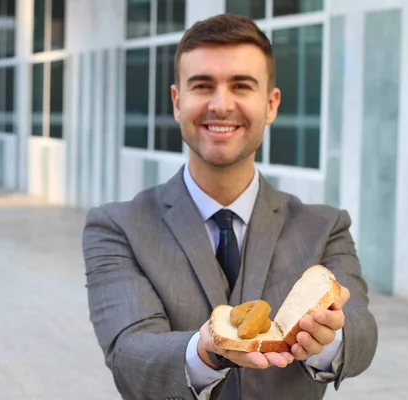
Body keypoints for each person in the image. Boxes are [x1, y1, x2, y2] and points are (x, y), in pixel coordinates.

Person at [82, 13, 377, 400]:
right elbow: (130, 356)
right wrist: (205, 351)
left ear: (271, 105)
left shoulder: (325, 225)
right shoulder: (118, 227)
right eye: (203, 85)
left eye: (241, 85)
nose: (221, 105)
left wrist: (328, 337)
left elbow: (362, 332)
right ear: (177, 101)